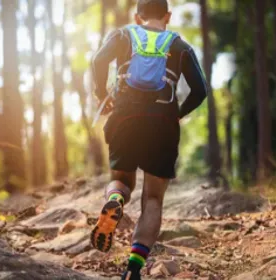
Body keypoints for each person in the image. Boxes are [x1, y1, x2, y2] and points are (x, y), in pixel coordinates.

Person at [90, 0, 208, 279]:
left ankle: (116, 200)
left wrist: (100, 93)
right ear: (167, 16)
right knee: (153, 198)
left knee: (121, 180)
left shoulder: (123, 35)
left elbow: (98, 60)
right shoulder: (180, 46)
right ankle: (133, 268)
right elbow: (200, 91)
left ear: (136, 16)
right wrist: (176, 114)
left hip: (125, 117)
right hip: (162, 124)